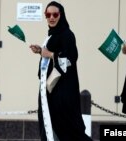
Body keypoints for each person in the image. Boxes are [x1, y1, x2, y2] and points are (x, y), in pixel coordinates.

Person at [29, 1, 93, 141]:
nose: (51, 17)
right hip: (50, 93)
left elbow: (70, 59)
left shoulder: (67, 35)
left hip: (62, 95)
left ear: (61, 15)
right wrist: (41, 51)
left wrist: (50, 54)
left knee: (68, 131)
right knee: (51, 129)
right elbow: (51, 55)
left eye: (55, 14)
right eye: (48, 14)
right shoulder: (51, 35)